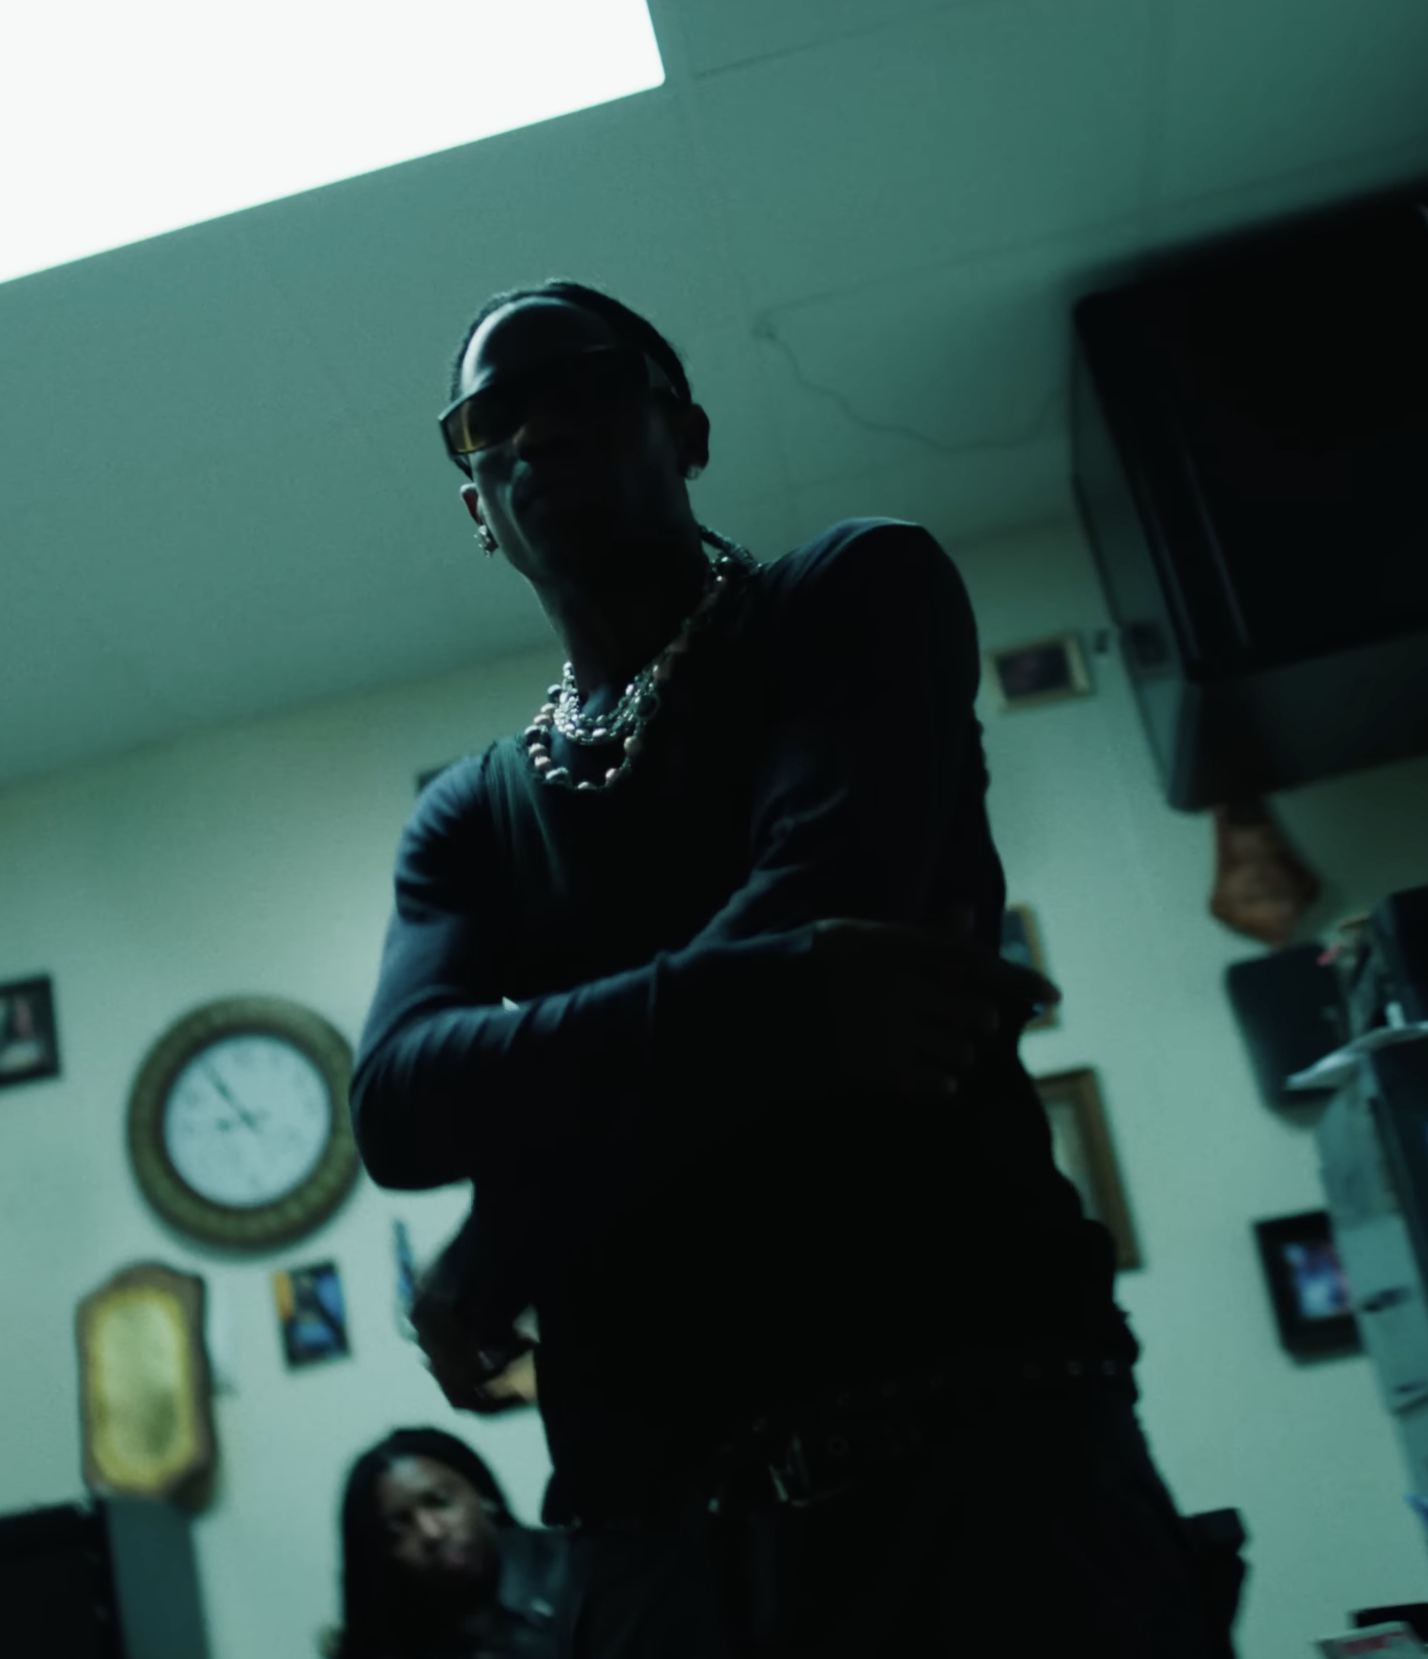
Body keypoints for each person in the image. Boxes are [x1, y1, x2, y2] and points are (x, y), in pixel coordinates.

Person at [351, 280, 1238, 1655]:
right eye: (490, 421)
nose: (533, 434)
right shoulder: (472, 818)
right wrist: (792, 998)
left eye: (582, 388)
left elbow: (814, 902)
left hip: (977, 1475)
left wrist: (510, 1229)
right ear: (476, 505)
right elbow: (401, 1102)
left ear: (687, 430)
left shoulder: (852, 594)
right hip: (654, 1550)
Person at [323, 1426, 570, 1659]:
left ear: (481, 1493)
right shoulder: (404, 1631)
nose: (432, 1533)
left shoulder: (576, 1570)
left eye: (440, 1502)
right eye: (399, 1527)